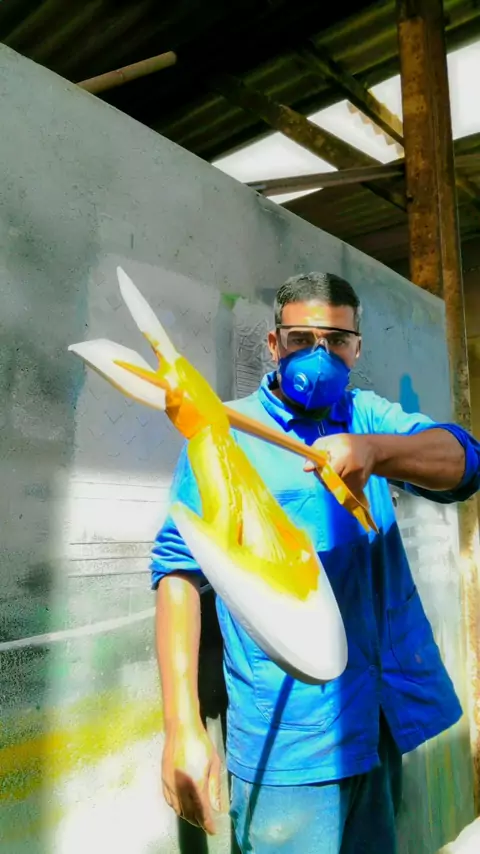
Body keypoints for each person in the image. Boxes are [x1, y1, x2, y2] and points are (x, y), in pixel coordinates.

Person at [151, 272, 480, 854]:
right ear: (273, 343)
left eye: (336, 340)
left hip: (375, 725)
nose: (319, 355)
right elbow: (178, 572)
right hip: (289, 745)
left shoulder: (367, 416)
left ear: (357, 348)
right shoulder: (224, 431)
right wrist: (181, 726)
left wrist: (375, 451)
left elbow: (464, 461)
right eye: (301, 339)